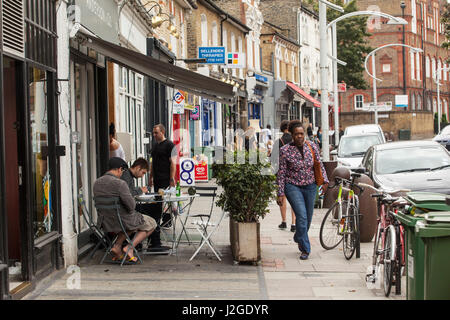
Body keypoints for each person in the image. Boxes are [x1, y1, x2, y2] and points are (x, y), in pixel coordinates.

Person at [276, 120, 329, 260]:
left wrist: (325, 181)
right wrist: (280, 193)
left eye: (302, 133)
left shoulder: (312, 146)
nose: (300, 136)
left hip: (310, 186)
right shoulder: (284, 151)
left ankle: (298, 236)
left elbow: (319, 164)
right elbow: (281, 173)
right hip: (292, 186)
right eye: (297, 134)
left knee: (308, 218)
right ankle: (305, 248)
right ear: (292, 135)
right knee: (302, 215)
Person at [93, 157, 157, 262]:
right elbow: (131, 206)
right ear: (119, 169)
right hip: (122, 221)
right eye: (122, 171)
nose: (122, 174)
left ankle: (117, 246)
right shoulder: (120, 184)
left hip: (105, 222)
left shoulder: (96, 183)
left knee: (128, 219)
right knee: (152, 223)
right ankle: (129, 248)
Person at [148, 124, 176, 251]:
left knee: (163, 205)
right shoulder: (154, 146)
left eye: (156, 133)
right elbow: (152, 163)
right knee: (156, 205)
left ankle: (159, 229)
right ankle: (155, 234)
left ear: (163, 132)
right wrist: (150, 177)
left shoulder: (170, 145)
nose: (154, 135)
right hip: (157, 179)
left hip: (165, 179)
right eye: (153, 133)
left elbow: (173, 163)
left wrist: (171, 178)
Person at [275, 120, 296, 232]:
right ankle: (294, 223)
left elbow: (273, 159)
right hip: (294, 173)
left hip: (281, 173)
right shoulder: (295, 140)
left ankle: (284, 221)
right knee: (294, 199)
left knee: (282, 197)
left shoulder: (278, 141)